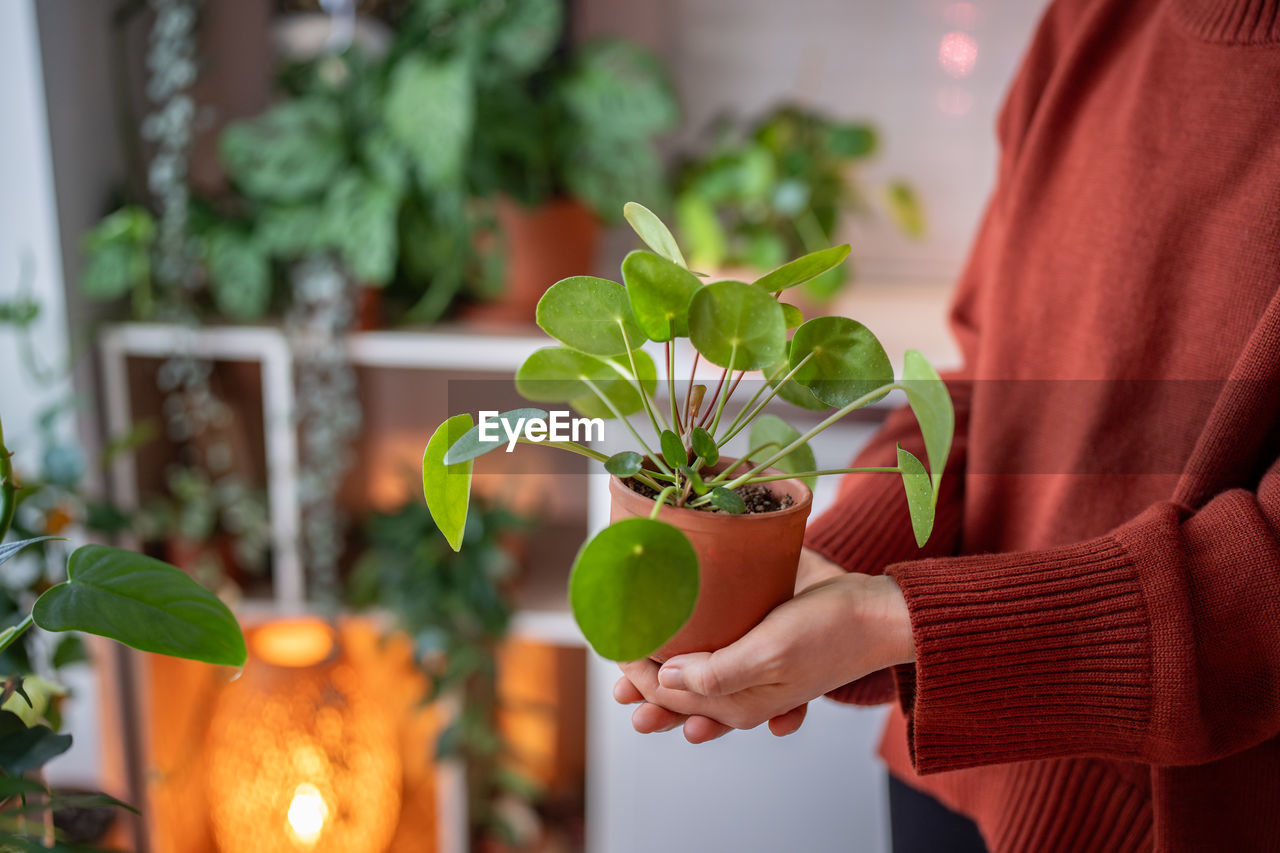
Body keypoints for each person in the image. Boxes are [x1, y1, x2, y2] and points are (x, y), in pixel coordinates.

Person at [613, 0, 1280, 850]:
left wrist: (894, 622)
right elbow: (979, 388)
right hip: (951, 762)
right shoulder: (1091, 22)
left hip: (1164, 815)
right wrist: (817, 571)